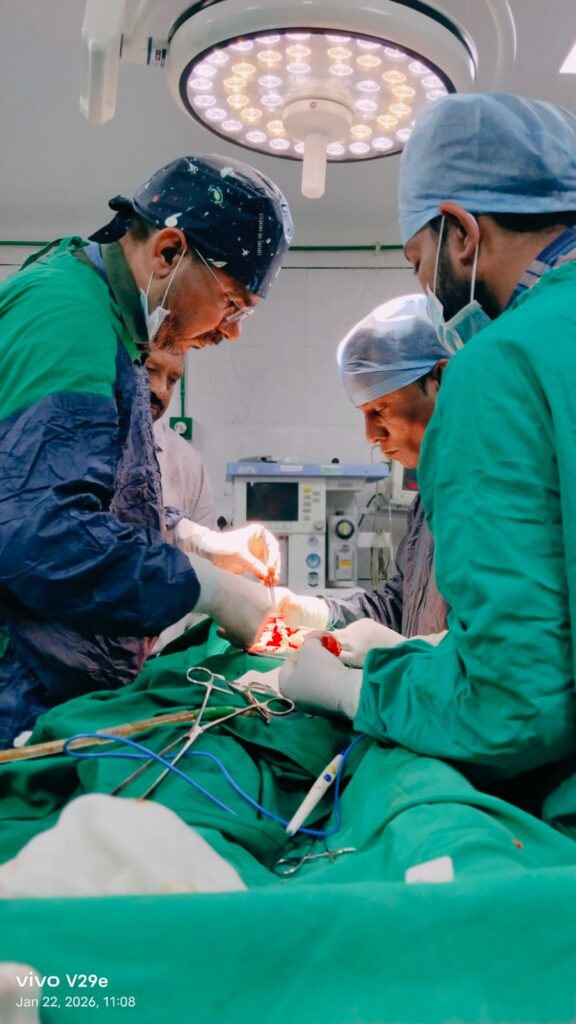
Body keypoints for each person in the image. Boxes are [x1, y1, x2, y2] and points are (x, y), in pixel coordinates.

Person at [279, 93, 576, 833]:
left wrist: (360, 692)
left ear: (462, 235)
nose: (428, 295)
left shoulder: (500, 365)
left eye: (419, 263)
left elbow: (514, 704)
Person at [0, 154, 293, 746]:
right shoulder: (66, 315)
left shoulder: (109, 326)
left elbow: (97, 498)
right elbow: (41, 535)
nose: (232, 330)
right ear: (168, 251)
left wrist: (196, 541)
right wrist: (210, 590)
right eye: (232, 303)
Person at [275, 294, 449, 663]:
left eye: (380, 409)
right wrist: (313, 611)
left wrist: (350, 691)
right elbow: (397, 605)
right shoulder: (429, 496)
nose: (371, 435)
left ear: (441, 380)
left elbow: (494, 648)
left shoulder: (494, 493)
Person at [146, 345, 216, 529]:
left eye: (172, 379)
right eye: (150, 370)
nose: (161, 390)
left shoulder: (187, 463)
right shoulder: (85, 445)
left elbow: (206, 543)